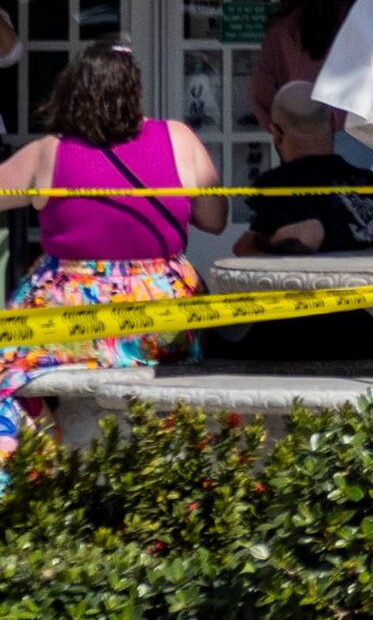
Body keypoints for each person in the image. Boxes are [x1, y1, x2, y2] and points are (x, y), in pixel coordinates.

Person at [0, 45, 216, 473]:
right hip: (164, 317)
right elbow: (214, 217)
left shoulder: (49, 152)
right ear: (134, 92)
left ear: (73, 92)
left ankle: (29, 470)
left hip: (72, 316)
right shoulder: (179, 138)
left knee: (6, 363)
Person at [202, 82, 373, 375]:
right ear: (332, 123)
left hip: (296, 334)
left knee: (205, 339)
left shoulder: (278, 185)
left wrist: (262, 242)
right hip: (371, 331)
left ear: (275, 132)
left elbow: (253, 250)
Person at [249, 0, 373, 131]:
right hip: (361, 141)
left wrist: (283, 134)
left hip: (302, 141)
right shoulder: (371, 22)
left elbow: (259, 92)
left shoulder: (285, 25)